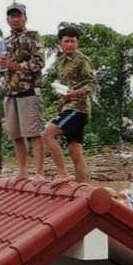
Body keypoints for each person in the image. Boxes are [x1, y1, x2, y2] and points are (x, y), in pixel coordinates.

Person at [0, 2, 45, 184]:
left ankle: (39, 172)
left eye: (19, 16)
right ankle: (23, 171)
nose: (15, 19)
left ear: (25, 18)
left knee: (34, 133)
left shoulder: (33, 36)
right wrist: (2, 66)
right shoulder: (3, 42)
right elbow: (0, 69)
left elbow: (39, 63)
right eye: (12, 16)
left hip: (29, 91)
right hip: (10, 92)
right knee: (16, 135)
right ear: (7, 19)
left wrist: (13, 65)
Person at [43, 26, 96, 183]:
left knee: (47, 134)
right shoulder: (62, 63)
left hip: (77, 110)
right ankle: (83, 189)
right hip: (68, 107)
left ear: (78, 42)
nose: (70, 44)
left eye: (73, 41)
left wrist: (74, 94)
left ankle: (63, 174)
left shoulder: (82, 60)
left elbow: (92, 85)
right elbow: (68, 88)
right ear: (60, 43)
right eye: (67, 41)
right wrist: (64, 99)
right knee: (75, 153)